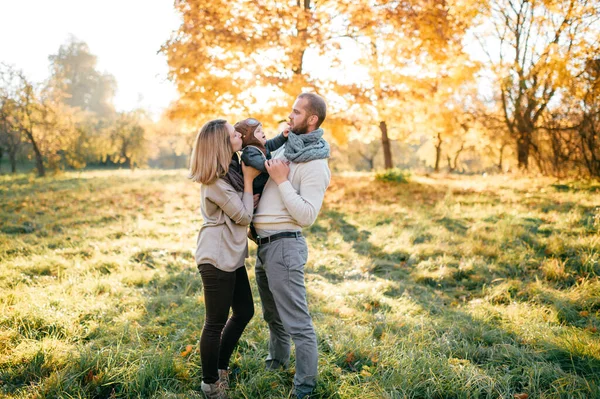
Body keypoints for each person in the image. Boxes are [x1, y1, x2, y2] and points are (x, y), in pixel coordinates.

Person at [252, 93, 331, 399]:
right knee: (273, 318)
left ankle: (304, 387)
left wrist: (282, 181)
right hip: (265, 246)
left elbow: (307, 215)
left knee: (298, 323)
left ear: (312, 119)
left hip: (285, 247)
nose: (289, 116)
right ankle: (277, 364)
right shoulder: (290, 146)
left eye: (296, 113)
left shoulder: (314, 164)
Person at [188, 119, 261, 399]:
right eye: (234, 134)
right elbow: (243, 215)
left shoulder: (231, 170)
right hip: (216, 257)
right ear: (223, 144)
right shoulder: (214, 181)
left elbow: (244, 208)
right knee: (214, 322)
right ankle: (210, 384)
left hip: (231, 255)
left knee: (244, 311)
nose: (239, 136)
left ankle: (220, 367)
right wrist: (249, 189)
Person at [234, 117, 289, 196]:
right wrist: (278, 166)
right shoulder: (249, 152)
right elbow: (262, 165)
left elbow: (272, 143)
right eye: (258, 131)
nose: (262, 132)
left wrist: (283, 136)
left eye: (261, 129)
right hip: (255, 187)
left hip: (262, 182)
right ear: (250, 138)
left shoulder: (262, 145)